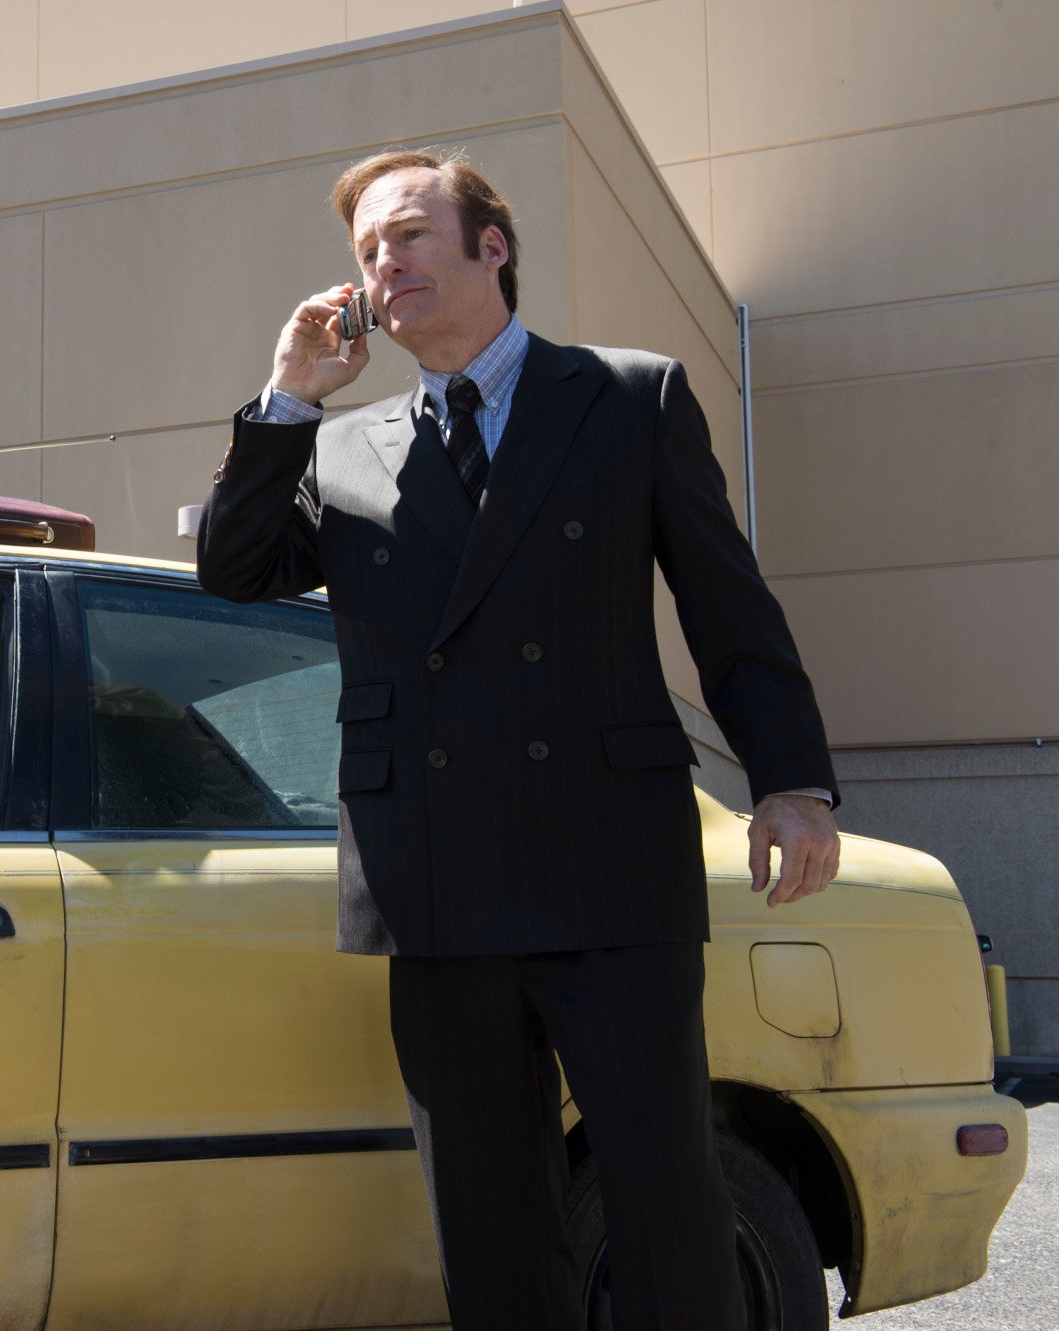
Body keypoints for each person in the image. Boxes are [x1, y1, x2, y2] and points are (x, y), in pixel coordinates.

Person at [195, 148, 843, 1331]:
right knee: (488, 1228)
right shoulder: (338, 447)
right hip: (431, 877)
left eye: (405, 236)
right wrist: (290, 395)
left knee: (665, 1208)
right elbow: (231, 569)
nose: (380, 266)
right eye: (364, 255)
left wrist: (791, 783)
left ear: (491, 246)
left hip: (607, 866)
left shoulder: (625, 394)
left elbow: (727, 607)